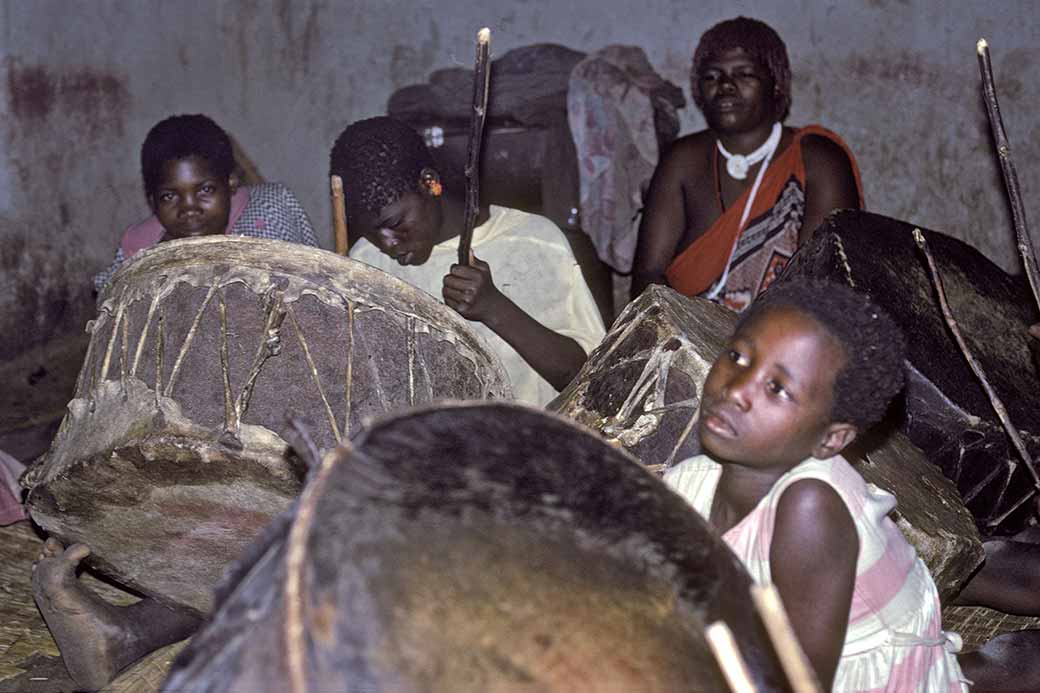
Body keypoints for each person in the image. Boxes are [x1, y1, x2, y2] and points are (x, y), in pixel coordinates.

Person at [663, 279, 1040, 691]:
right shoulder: (693, 480)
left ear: (831, 439)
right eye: (737, 356)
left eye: (777, 388)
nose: (736, 390)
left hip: (851, 677)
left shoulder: (809, 506)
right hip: (818, 632)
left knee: (991, 669)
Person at [331, 116, 605, 406]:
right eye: (371, 232)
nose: (386, 244)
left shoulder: (533, 241)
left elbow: (590, 378)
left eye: (396, 222)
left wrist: (494, 308)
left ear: (429, 183)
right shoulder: (364, 260)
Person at [630, 17, 862, 311]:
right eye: (712, 76)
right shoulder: (681, 161)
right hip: (685, 339)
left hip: (785, 340)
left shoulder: (819, 161)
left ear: (776, 85)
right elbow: (648, 274)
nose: (725, 86)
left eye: (744, 74)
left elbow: (824, 281)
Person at [93, 114, 318, 293]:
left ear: (231, 183)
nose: (189, 208)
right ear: (152, 201)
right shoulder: (142, 248)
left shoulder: (268, 214)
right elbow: (110, 301)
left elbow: (309, 288)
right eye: (169, 196)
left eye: (205, 190)